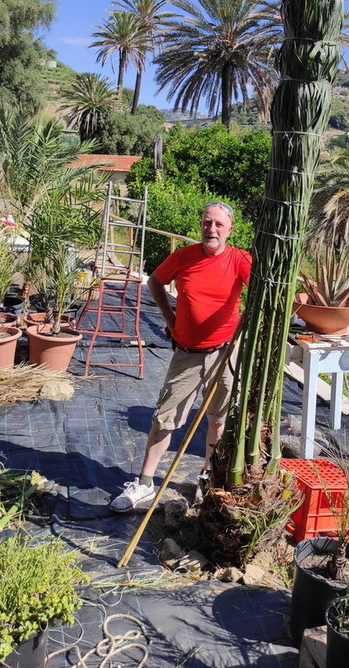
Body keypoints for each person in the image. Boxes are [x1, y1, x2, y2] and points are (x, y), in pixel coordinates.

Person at [110, 200, 251, 512]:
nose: (211, 229)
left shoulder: (240, 260)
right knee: (165, 418)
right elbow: (155, 282)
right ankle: (145, 484)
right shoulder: (183, 257)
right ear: (201, 224)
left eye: (218, 224)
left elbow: (260, 295)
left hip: (225, 352)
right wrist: (170, 319)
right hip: (187, 353)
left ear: (229, 230)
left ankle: (208, 479)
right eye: (206, 222)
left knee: (218, 419)